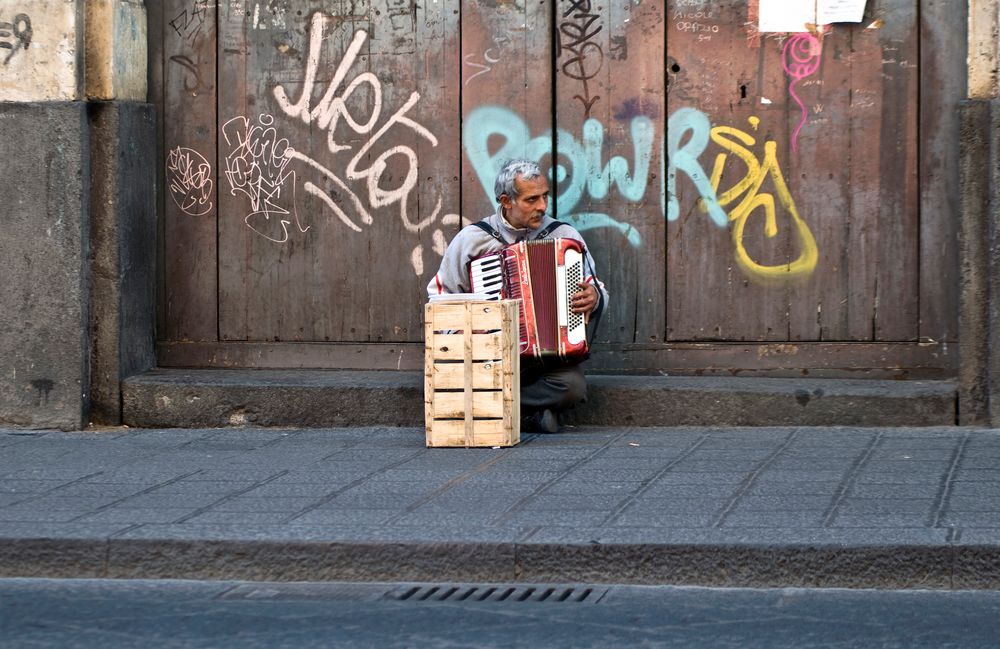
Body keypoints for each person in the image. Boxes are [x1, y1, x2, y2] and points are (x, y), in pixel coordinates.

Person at [426, 159, 608, 433]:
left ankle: (492, 407)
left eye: (545, 196)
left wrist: (593, 298)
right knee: (450, 381)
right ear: (506, 201)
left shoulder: (563, 236)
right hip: (486, 358)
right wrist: (468, 337)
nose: (543, 206)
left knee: (573, 387)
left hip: (543, 363)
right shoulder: (473, 240)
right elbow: (439, 297)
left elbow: (598, 290)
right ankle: (529, 416)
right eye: (531, 199)